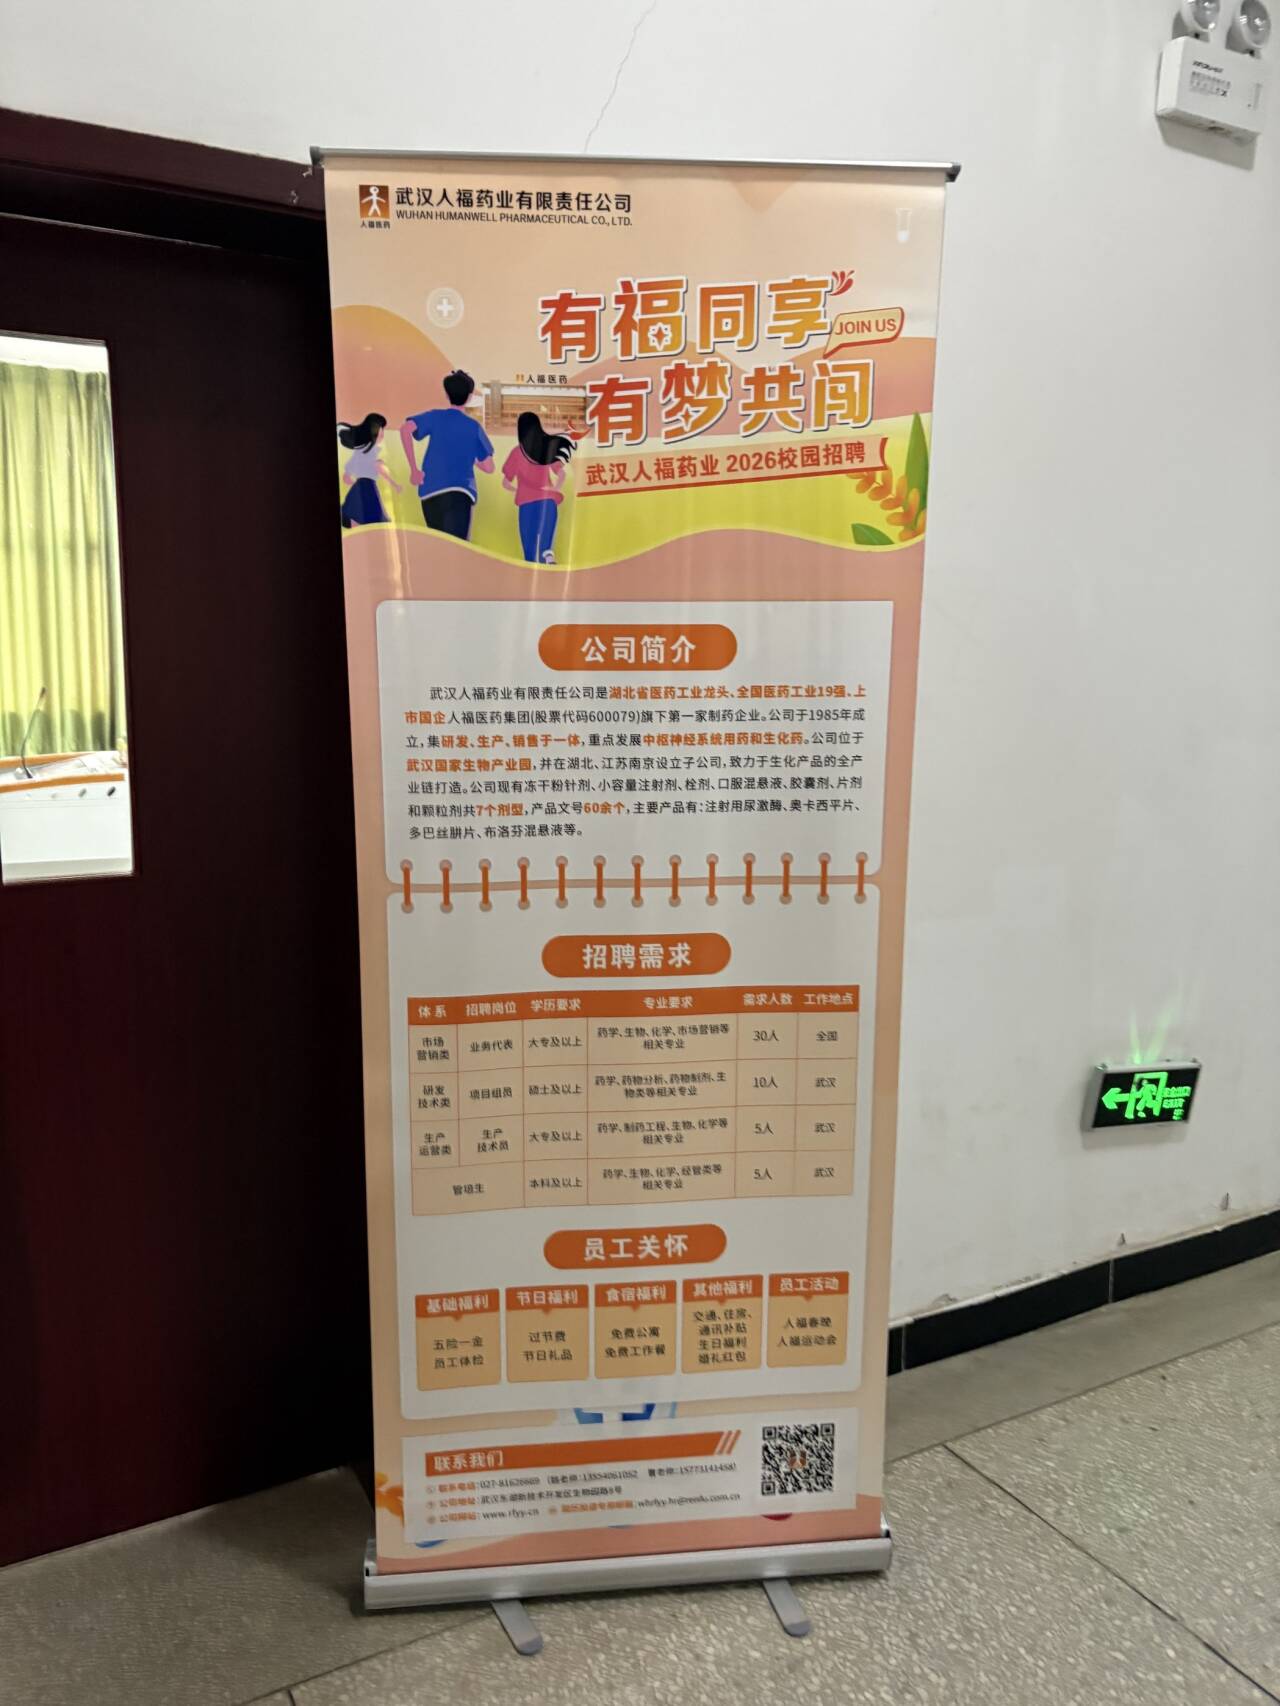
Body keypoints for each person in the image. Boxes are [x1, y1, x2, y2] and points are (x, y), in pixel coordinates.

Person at [400, 370, 494, 541]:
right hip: (460, 491)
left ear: (446, 394)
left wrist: (414, 469)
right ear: (470, 397)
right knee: (458, 548)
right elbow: (489, 467)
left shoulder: (435, 417)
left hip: (431, 491)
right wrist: (471, 457)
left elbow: (406, 429)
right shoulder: (473, 427)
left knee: (439, 546)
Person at [501, 411, 575, 564]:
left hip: (526, 502)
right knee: (545, 544)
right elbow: (562, 474)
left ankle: (537, 563)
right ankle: (547, 553)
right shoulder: (545, 448)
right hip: (547, 500)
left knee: (529, 552)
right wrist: (556, 489)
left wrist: (517, 490)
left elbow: (506, 483)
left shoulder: (516, 452)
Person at [338, 414, 401, 527]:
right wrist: (394, 484)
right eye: (381, 432)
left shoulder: (360, 451)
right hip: (368, 486)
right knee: (371, 518)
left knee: (357, 515)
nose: (382, 435)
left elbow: (348, 470)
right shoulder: (373, 451)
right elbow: (379, 468)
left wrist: (349, 477)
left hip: (359, 486)